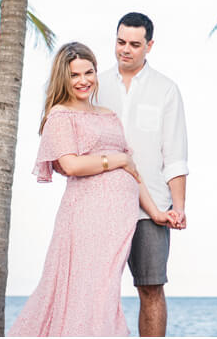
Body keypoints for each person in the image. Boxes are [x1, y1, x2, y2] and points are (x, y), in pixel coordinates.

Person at [9, 42, 177, 337]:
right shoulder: (60, 116)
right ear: (64, 78)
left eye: (89, 72)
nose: (84, 80)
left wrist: (156, 212)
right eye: (75, 75)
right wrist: (116, 158)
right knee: (84, 293)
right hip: (86, 220)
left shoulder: (108, 116)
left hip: (119, 224)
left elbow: (132, 172)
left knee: (103, 293)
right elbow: (71, 166)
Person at [97, 13, 188, 338]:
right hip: (101, 205)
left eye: (135, 44)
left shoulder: (166, 90)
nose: (126, 50)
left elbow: (175, 156)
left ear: (149, 45)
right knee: (97, 292)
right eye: (121, 42)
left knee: (151, 289)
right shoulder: (96, 85)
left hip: (152, 211)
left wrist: (177, 207)